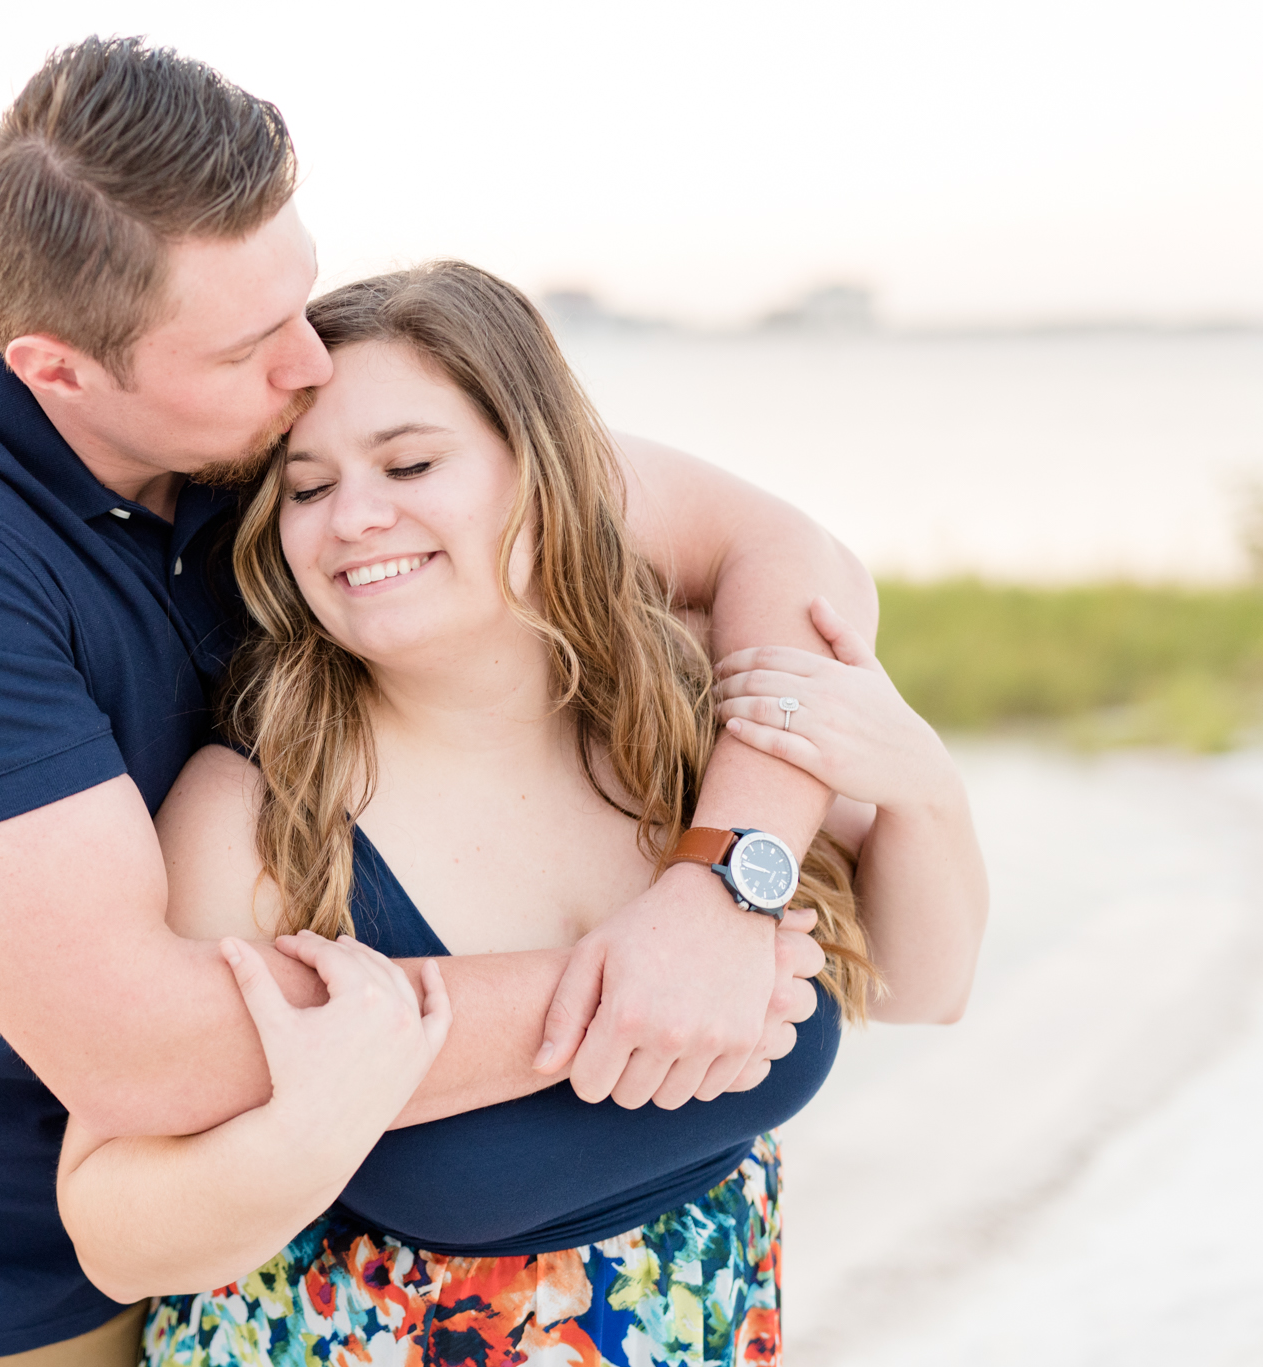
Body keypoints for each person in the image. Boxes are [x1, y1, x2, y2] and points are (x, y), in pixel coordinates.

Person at [0, 37, 879, 1367]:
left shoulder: (290, 433)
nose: (309, 362)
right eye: (247, 344)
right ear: (60, 369)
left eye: (299, 298)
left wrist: (726, 884)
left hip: (274, 1252)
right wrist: (635, 986)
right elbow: (139, 1050)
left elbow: (787, 557)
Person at [55, 262, 987, 1367]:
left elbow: (922, 989)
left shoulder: (679, 714)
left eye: (409, 462)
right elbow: (111, 1228)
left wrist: (922, 787)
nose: (354, 517)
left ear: (543, 473)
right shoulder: (259, 814)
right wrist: (310, 1126)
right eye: (305, 487)